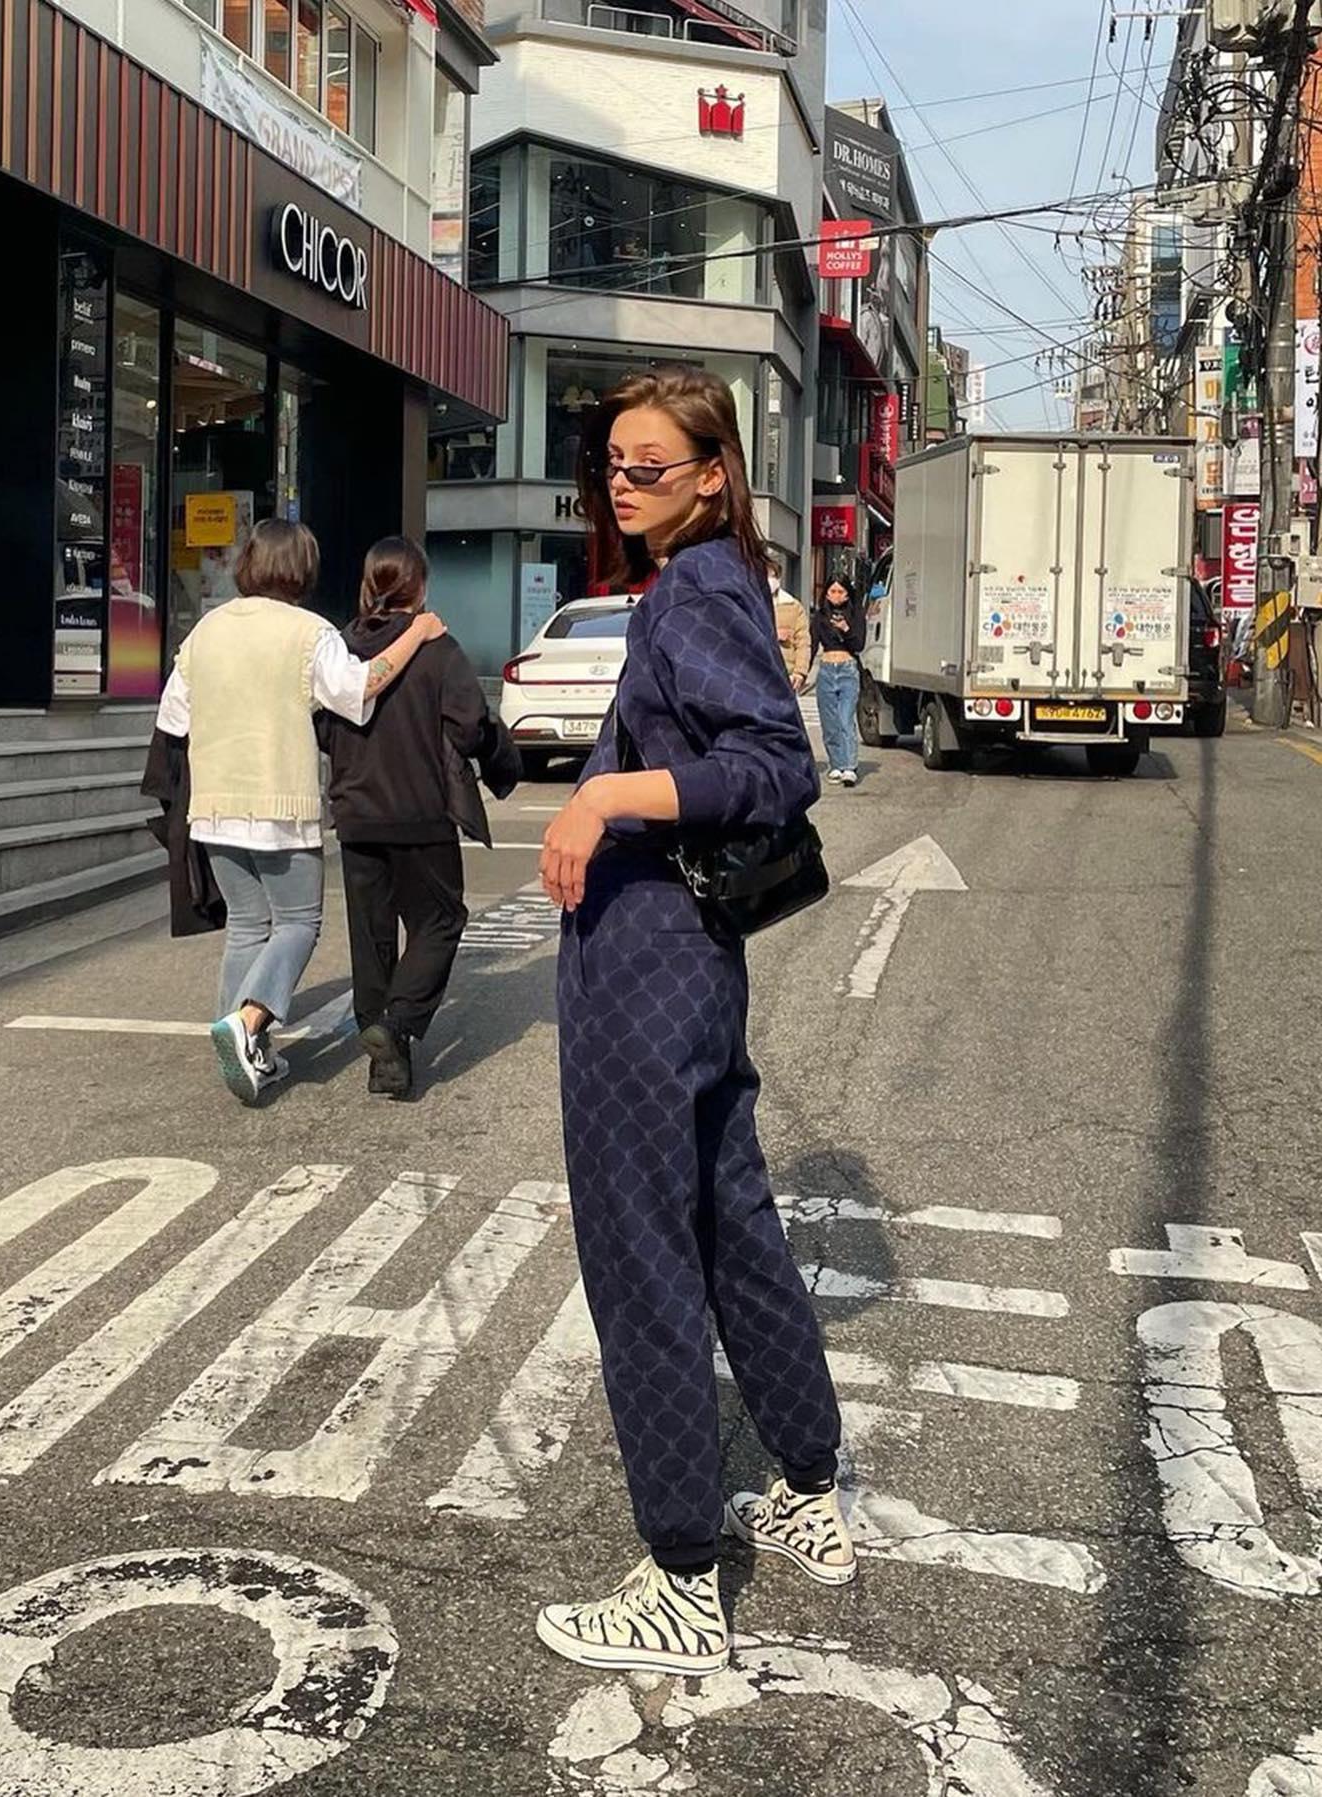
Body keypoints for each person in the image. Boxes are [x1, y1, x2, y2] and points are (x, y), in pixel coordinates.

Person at [533, 366, 852, 1679]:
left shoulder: (696, 590)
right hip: (693, 963)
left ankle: (678, 1575)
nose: (623, 483)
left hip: (644, 964)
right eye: (613, 463)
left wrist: (604, 800)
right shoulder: (712, 581)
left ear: (714, 475)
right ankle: (811, 1489)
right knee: (730, 1225)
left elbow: (772, 766)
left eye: (650, 464)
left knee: (642, 1254)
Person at [155, 518, 446, 1104]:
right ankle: (247, 1024)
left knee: (247, 924)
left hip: (212, 805)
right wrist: (416, 633)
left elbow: (173, 719)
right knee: (297, 924)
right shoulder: (310, 633)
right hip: (280, 805)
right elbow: (358, 688)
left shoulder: (206, 630)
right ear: (303, 568)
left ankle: (244, 1043)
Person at [317, 536, 521, 1100]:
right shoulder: (438, 648)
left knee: (372, 934)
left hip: (356, 811)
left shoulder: (342, 648)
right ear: (421, 586)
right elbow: (469, 726)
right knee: (440, 920)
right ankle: (399, 1021)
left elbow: (323, 725)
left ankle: (387, 1057)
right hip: (421, 810)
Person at [812, 574, 867, 787]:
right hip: (826, 670)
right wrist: (801, 673)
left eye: (840, 591)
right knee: (829, 722)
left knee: (845, 719)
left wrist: (846, 629)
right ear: (826, 594)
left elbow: (859, 644)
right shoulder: (819, 617)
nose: (836, 595)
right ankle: (836, 764)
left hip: (847, 670)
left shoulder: (856, 614)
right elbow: (812, 645)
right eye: (832, 591)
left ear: (847, 594)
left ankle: (849, 767)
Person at [768, 556, 812, 693]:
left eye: (773, 576)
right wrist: (774, 634)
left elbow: (803, 641)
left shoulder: (793, 606)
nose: (770, 580)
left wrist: (800, 672)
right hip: (757, 671)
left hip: (786, 673)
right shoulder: (750, 603)